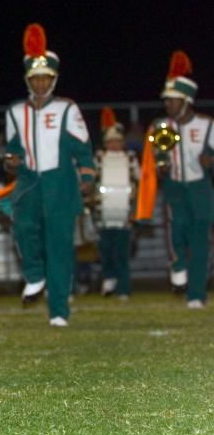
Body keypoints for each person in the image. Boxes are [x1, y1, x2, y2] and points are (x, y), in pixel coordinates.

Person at [3, 24, 95, 327]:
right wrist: (11, 161)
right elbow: (11, 150)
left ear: (54, 79)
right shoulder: (15, 111)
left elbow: (83, 148)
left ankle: (58, 311)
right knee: (23, 225)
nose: (41, 83)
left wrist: (86, 176)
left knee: (59, 248)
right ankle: (34, 274)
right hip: (30, 180)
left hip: (61, 183)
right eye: (36, 78)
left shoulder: (68, 108)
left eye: (46, 78)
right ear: (28, 79)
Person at [136, 51, 213, 308]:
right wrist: (161, 166)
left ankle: (196, 294)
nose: (167, 104)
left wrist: (210, 161)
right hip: (175, 186)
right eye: (166, 100)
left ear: (187, 100)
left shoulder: (206, 125)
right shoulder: (161, 126)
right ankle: (178, 264)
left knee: (201, 240)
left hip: (201, 186)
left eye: (173, 100)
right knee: (176, 230)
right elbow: (156, 158)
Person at [96, 108, 139, 300]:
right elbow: (90, 181)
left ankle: (123, 289)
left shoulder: (130, 159)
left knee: (122, 253)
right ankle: (108, 279)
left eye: (117, 141)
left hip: (124, 213)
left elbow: (140, 181)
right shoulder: (98, 158)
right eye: (110, 142)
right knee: (105, 251)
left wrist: (135, 205)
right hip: (102, 212)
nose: (114, 145)